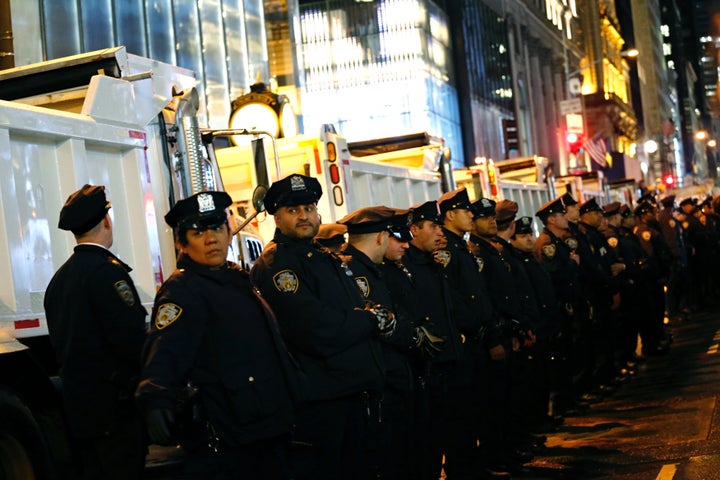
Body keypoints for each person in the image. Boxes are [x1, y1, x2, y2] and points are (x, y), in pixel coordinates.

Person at [136, 191, 296, 479]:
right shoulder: (183, 290)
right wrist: (155, 398)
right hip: (230, 433)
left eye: (217, 228)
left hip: (267, 424)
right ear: (181, 243)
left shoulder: (235, 279)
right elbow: (166, 347)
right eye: (198, 232)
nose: (211, 239)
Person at [250, 174, 394, 480]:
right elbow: (315, 329)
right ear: (276, 216)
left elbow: (346, 311)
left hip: (349, 390)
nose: (303, 216)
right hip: (320, 399)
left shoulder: (319, 256)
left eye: (308, 207)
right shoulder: (279, 265)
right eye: (292, 210)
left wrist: (362, 317)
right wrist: (367, 320)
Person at [44, 184, 147, 479]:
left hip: (81, 414)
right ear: (105, 221)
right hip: (115, 414)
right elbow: (131, 342)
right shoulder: (108, 273)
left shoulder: (59, 280)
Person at [338, 206, 440, 480]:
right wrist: (413, 337)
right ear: (382, 236)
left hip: (397, 378)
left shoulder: (375, 269)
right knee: (393, 461)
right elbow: (381, 323)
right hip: (383, 384)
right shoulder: (353, 272)